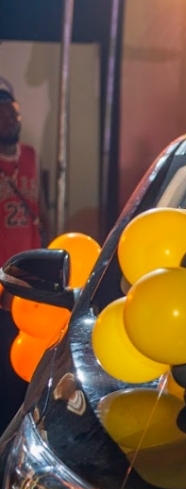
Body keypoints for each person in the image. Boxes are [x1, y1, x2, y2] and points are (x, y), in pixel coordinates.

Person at [0, 89, 48, 432]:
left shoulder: (30, 155)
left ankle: (23, 420)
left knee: (29, 357)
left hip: (29, 277)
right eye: (1, 116)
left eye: (12, 114)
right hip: (2, 277)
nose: (8, 120)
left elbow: (41, 208)